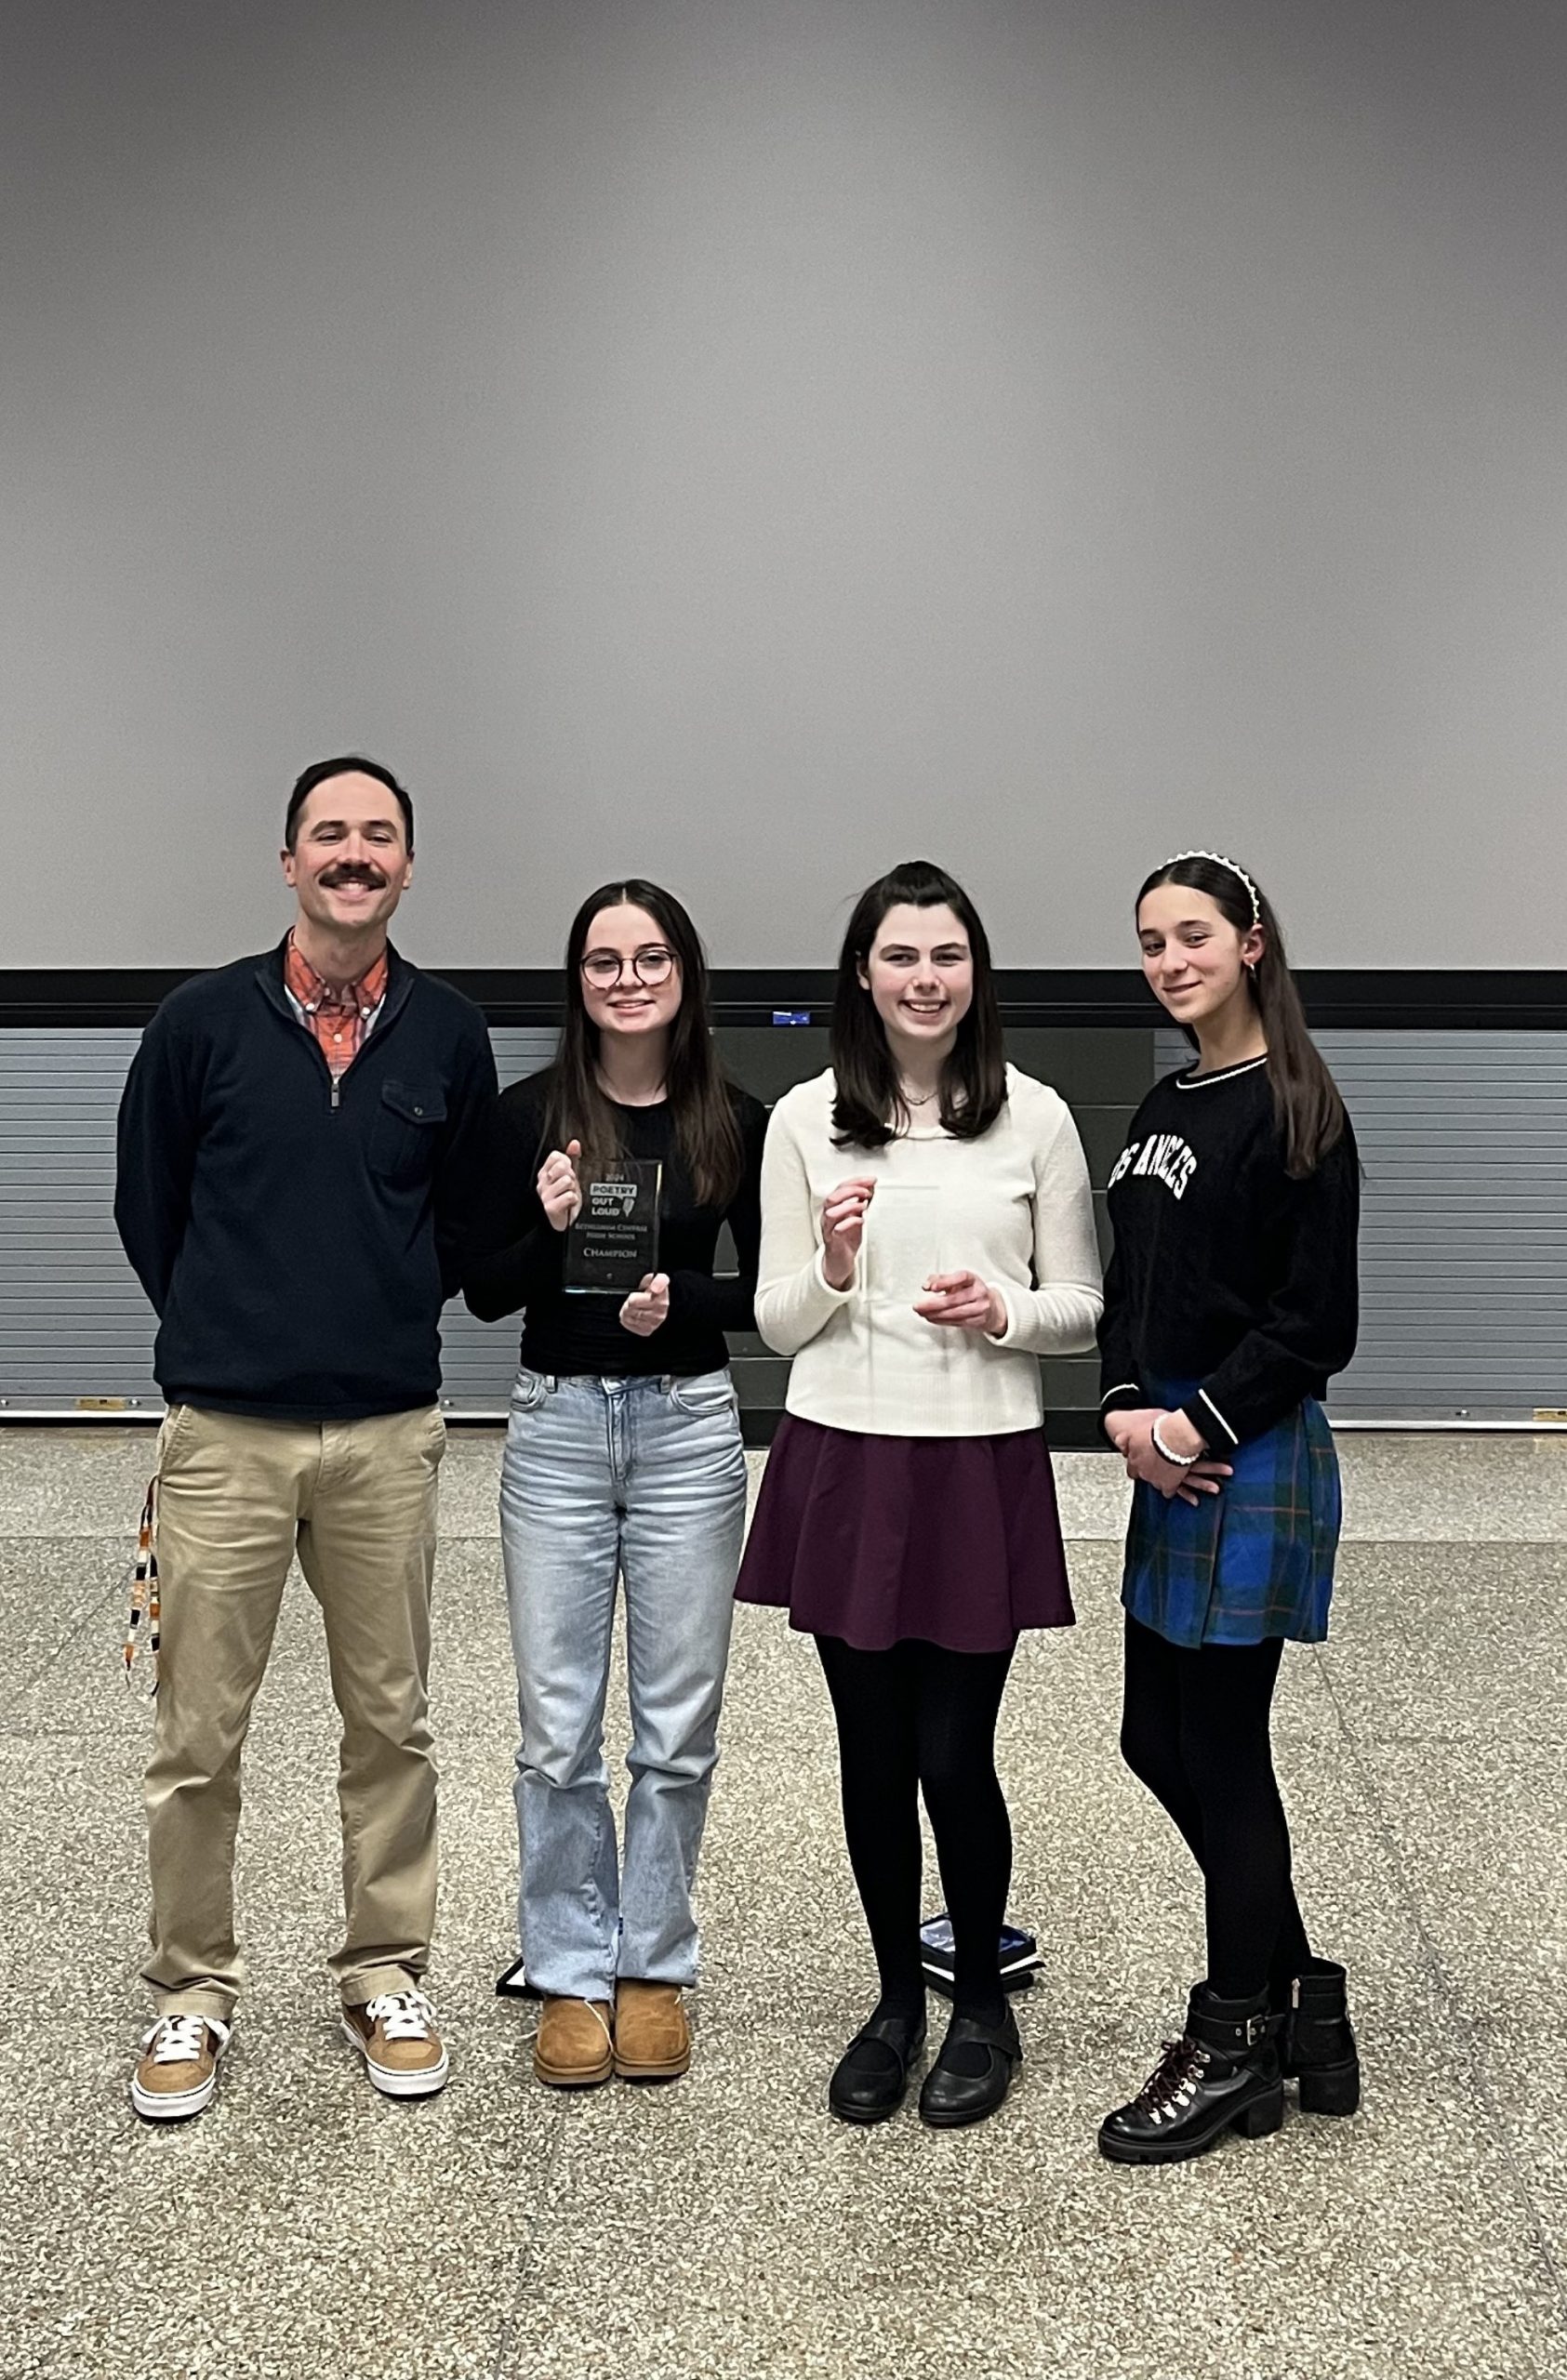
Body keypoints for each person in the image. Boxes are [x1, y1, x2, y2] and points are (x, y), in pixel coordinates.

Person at [113, 757, 497, 2121]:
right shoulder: (201, 1023)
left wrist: (368, 1312)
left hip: (389, 1437)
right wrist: (234, 1333)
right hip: (225, 1434)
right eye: (328, 834)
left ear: (406, 865)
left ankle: (383, 1970)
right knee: (198, 1734)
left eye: (378, 835)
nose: (353, 854)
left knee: (390, 1723)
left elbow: (461, 1226)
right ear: (288, 862)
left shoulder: (447, 1035)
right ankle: (188, 1993)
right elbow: (147, 1205)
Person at [736, 860, 1102, 2128]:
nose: (924, 978)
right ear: (861, 975)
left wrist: (1002, 1309)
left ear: (974, 975)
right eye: (900, 956)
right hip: (844, 1453)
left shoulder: (1037, 1120)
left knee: (956, 1750)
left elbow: (1080, 1309)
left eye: (946, 956)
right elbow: (778, 1324)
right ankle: (894, 1999)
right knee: (869, 1753)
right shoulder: (800, 1120)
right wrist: (835, 1261)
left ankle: (980, 2006)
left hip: (974, 1458)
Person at [464, 880, 763, 2089]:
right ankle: (567, 1972)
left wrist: (678, 1303)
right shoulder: (524, 1115)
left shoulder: (734, 1118)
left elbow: (769, 1292)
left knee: (677, 1727)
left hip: (689, 1429)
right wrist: (540, 1228)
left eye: (649, 958)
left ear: (684, 977)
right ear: (575, 981)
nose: (627, 978)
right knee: (553, 1729)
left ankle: (652, 1967)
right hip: (554, 1432)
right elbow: (479, 1289)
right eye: (603, 960)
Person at [1096, 849, 1361, 2167]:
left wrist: (1194, 1425)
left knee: (1221, 1747)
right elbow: (1125, 1285)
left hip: (1241, 1449)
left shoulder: (1295, 1104)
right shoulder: (1163, 1101)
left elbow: (1318, 1324)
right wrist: (1123, 1410)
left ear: (1250, 942)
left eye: (1191, 933)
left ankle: (1232, 2037)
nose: (1168, 959)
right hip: (1168, 1445)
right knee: (1157, 1739)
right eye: (1149, 940)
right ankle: (1304, 1989)